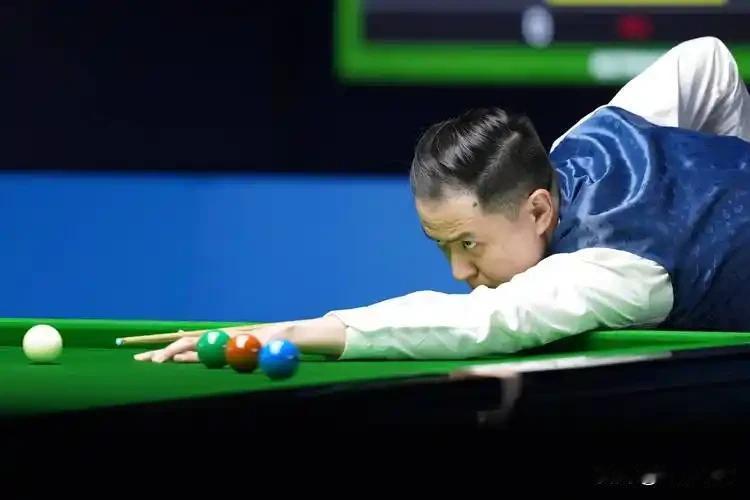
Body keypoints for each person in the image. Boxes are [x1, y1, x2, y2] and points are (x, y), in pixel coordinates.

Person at [135, 36, 750, 363]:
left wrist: (289, 332)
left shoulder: (610, 270)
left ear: (539, 209)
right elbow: (707, 60)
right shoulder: (590, 140)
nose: (459, 271)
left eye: (468, 244)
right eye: (444, 247)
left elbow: (479, 324)